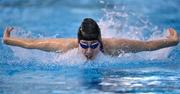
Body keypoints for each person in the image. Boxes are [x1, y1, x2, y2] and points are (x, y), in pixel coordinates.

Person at [3, 18, 179, 60]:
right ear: (77, 41)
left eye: (94, 45)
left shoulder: (114, 46)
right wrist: (7, 40)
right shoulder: (65, 47)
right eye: (84, 45)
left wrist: (173, 41)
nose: (88, 51)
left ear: (100, 41)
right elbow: (31, 44)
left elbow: (147, 46)